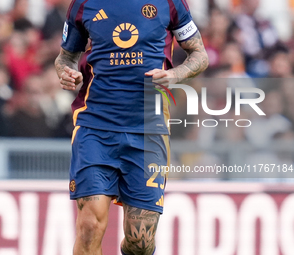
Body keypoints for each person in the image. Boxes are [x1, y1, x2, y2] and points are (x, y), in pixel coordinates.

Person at [55, 1, 208, 254]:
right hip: (95, 125)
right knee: (90, 225)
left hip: (148, 128)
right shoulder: (83, 4)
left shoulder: (170, 3)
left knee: (141, 241)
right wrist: (67, 72)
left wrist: (175, 75)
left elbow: (200, 55)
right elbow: (66, 58)